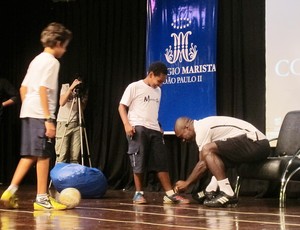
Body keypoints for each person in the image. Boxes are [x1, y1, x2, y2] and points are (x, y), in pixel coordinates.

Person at [0, 22, 72, 210]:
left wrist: (28, 109)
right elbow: (42, 89)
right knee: (44, 156)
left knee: (31, 155)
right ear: (57, 42)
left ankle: (10, 190)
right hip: (41, 114)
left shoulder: (36, 59)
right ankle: (41, 198)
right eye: (64, 46)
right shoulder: (52, 62)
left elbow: (23, 88)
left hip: (29, 112)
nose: (64, 50)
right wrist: (48, 119)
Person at [118, 61, 189, 204]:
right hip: (137, 127)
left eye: (162, 82)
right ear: (151, 74)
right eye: (159, 80)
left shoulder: (158, 91)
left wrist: (159, 126)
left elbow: (152, 111)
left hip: (154, 128)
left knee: (161, 161)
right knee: (139, 160)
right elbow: (121, 106)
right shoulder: (134, 86)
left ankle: (169, 194)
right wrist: (127, 124)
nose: (160, 84)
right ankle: (138, 193)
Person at [174, 116, 271, 207]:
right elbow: (210, 162)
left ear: (187, 128)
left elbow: (202, 164)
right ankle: (211, 190)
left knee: (206, 150)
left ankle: (228, 193)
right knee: (214, 157)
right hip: (257, 145)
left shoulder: (201, 128)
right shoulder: (203, 126)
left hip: (257, 143)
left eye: (181, 136)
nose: (183, 140)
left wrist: (187, 183)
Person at [55, 78, 88, 164]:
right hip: (63, 122)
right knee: (62, 155)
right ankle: (59, 177)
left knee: (75, 157)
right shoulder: (66, 87)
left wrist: (79, 97)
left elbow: (81, 109)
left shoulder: (84, 91)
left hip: (77, 123)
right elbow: (61, 102)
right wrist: (71, 89)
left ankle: (73, 176)